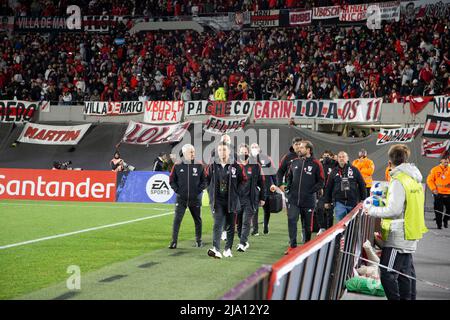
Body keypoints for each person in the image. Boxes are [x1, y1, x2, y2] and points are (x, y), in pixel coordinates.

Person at [364, 144, 428, 300]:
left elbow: (394, 210)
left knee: (387, 272)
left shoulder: (399, 180)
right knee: (405, 274)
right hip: (410, 230)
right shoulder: (413, 178)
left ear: (389, 162)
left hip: (399, 234)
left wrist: (370, 209)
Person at [283, 140, 324, 254]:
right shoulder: (294, 162)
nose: (298, 149)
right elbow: (289, 177)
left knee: (306, 225)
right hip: (293, 199)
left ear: (308, 150)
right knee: (292, 220)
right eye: (298, 147)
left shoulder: (316, 164)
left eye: (301, 147)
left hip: (308, 200)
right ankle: (293, 246)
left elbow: (321, 182)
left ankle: (306, 247)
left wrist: (310, 192)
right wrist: (288, 188)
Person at [206, 142, 245, 259]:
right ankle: (216, 249)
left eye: (224, 150)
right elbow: (207, 180)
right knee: (217, 224)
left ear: (229, 151)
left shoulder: (236, 166)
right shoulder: (213, 166)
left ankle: (227, 249)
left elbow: (243, 180)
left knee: (230, 226)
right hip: (217, 201)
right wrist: (210, 192)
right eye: (219, 150)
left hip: (231, 202)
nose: (221, 152)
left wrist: (236, 192)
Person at [169, 144, 207, 249]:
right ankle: (173, 242)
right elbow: (172, 180)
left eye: (194, 152)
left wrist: (198, 191)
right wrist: (178, 191)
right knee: (177, 220)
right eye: (191, 152)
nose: (193, 154)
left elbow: (205, 180)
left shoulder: (199, 165)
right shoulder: (177, 165)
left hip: (195, 199)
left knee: (197, 220)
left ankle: (198, 241)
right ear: (185, 153)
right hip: (181, 198)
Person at [236, 144, 265, 252]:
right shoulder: (235, 166)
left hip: (251, 199)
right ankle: (243, 240)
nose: (244, 154)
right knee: (238, 224)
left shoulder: (255, 166)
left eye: (245, 152)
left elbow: (261, 182)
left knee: (246, 222)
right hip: (238, 199)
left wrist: (263, 198)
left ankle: (242, 243)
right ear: (239, 153)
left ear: (248, 153)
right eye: (242, 152)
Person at [324, 151, 367, 222]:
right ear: (337, 159)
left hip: (353, 202)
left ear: (347, 158)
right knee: (341, 225)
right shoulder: (333, 171)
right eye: (339, 157)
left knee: (352, 225)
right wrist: (327, 201)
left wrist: (363, 199)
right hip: (339, 202)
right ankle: (342, 234)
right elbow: (329, 187)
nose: (341, 158)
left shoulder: (354, 170)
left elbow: (362, 184)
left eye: (343, 157)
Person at [250, 142, 277, 235]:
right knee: (255, 209)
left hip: (267, 186)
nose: (254, 148)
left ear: (259, 148)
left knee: (267, 209)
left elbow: (273, 172)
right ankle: (255, 229)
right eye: (252, 147)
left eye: (255, 147)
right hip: (255, 188)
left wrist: (275, 184)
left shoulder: (266, 158)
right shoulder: (248, 160)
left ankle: (266, 225)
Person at [316, 151, 338, 233]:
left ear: (331, 156)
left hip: (331, 191)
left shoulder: (335, 164)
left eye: (328, 156)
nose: (326, 157)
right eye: (324, 156)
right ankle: (322, 228)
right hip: (322, 190)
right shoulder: (320, 164)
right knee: (319, 209)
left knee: (329, 211)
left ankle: (330, 229)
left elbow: (344, 165)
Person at [426, 155, 450, 229]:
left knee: (449, 210)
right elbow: (429, 180)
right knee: (439, 210)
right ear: (441, 161)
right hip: (438, 193)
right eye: (444, 159)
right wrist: (433, 189)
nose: (446, 160)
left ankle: (445, 220)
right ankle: (439, 224)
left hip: (448, 193)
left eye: (448, 159)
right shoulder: (435, 170)